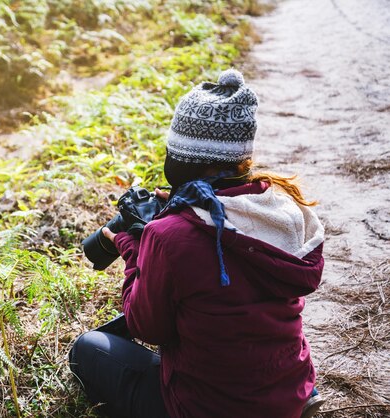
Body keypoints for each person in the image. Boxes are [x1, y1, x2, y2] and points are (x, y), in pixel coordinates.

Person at [69, 69, 326, 418]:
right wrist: (172, 219)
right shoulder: (279, 211)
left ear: (182, 159)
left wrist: (135, 248)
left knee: (87, 349)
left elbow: (147, 327)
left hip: (207, 408)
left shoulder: (170, 236)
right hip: (288, 394)